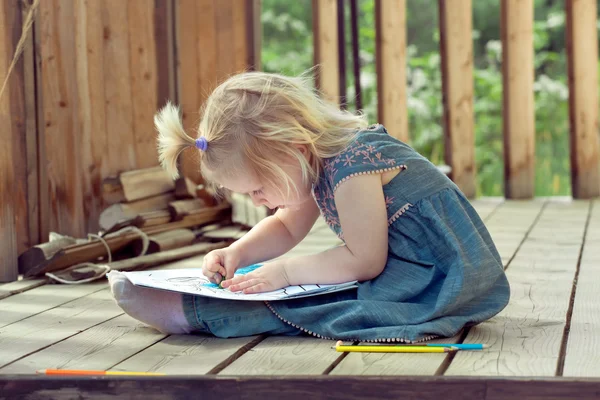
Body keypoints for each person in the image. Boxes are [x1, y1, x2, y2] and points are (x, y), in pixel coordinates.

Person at [107, 71, 509, 343]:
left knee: (328, 305)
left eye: (259, 188)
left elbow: (365, 260)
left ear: (293, 151)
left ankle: (197, 312)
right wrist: (237, 252)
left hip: (443, 277)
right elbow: (285, 227)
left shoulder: (354, 161)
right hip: (406, 266)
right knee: (309, 288)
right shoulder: (316, 163)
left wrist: (284, 271)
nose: (258, 201)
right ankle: (196, 307)